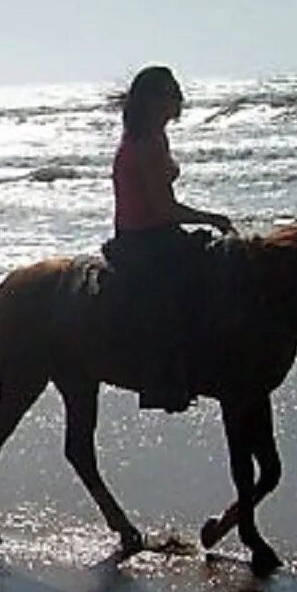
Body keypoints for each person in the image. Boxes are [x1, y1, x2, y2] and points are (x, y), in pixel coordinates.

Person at [104, 67, 233, 412]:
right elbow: (163, 208)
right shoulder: (146, 143)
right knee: (173, 294)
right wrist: (210, 218)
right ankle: (165, 381)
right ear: (154, 100)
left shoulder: (154, 136)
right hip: (143, 237)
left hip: (157, 232)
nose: (177, 102)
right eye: (171, 95)